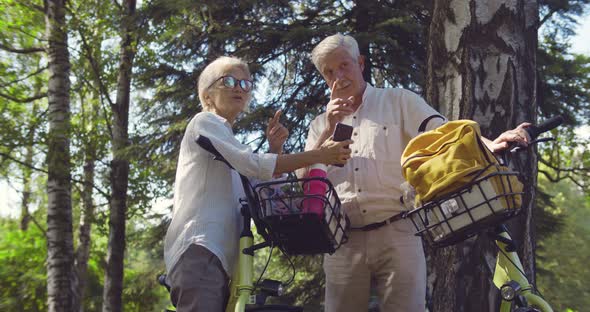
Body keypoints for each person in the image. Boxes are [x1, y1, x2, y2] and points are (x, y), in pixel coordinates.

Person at [297, 34, 530, 312]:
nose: (338, 77)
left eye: (344, 66)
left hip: (398, 231)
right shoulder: (319, 124)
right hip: (343, 241)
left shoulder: (398, 100)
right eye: (329, 72)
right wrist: (328, 129)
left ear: (360, 63)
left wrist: (490, 143)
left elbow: (443, 132)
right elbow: (304, 178)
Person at [163, 56, 353, 312]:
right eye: (229, 80)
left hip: (225, 258)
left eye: (245, 83)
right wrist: (320, 155)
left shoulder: (230, 144)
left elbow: (265, 190)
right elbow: (252, 164)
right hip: (200, 248)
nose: (239, 87)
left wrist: (276, 148)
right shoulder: (204, 123)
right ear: (207, 96)